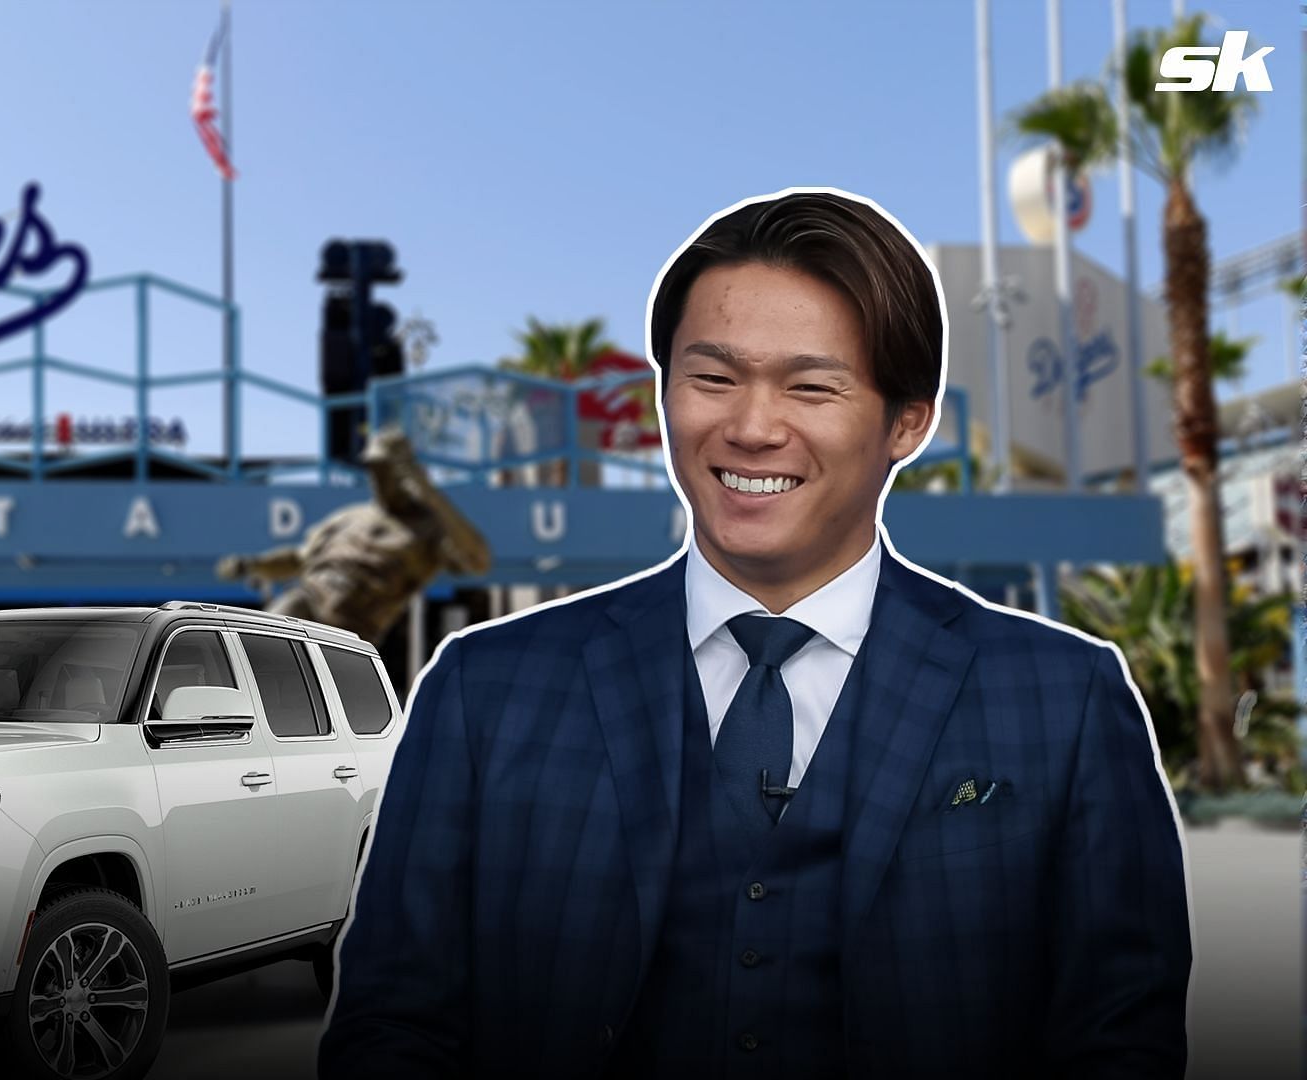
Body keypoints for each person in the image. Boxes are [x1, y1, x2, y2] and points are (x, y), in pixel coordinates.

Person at [318, 190, 1191, 1079]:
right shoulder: (487, 690)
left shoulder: (1062, 698)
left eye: (812, 386)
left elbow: (1122, 1035)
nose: (750, 428)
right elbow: (393, 1024)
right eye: (713, 378)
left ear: (907, 421)